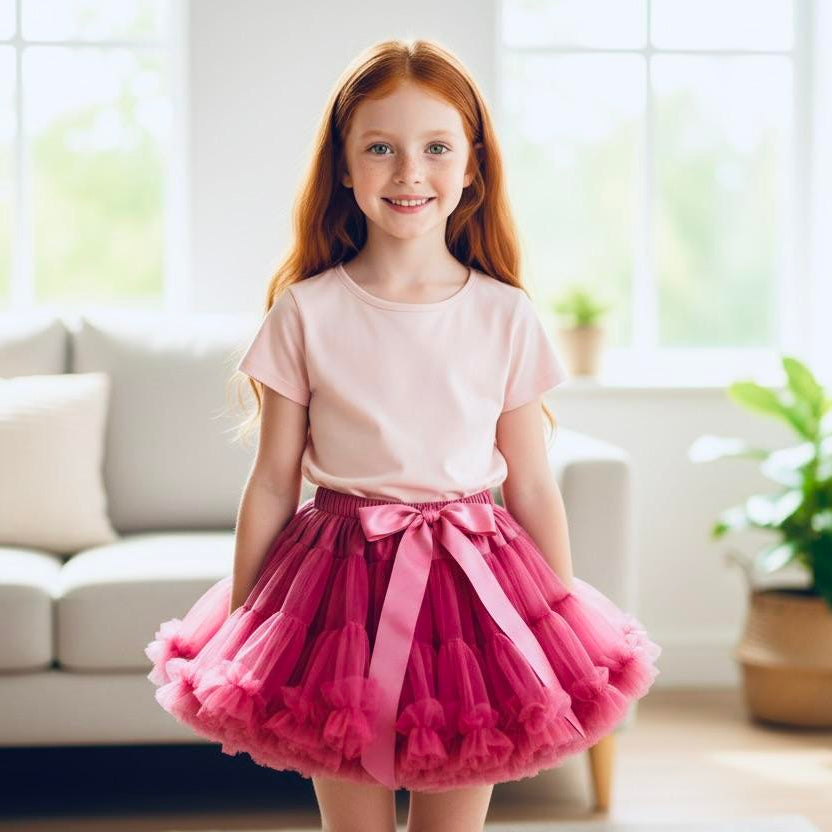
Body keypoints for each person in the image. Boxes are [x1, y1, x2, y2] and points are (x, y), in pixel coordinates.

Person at [145, 37, 661, 832]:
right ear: (344, 168)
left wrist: (556, 617)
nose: (409, 172)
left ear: (471, 168)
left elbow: (528, 481)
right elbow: (276, 480)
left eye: (435, 148)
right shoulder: (306, 312)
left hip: (474, 587)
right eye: (380, 148)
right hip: (333, 585)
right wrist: (248, 620)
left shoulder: (505, 314)